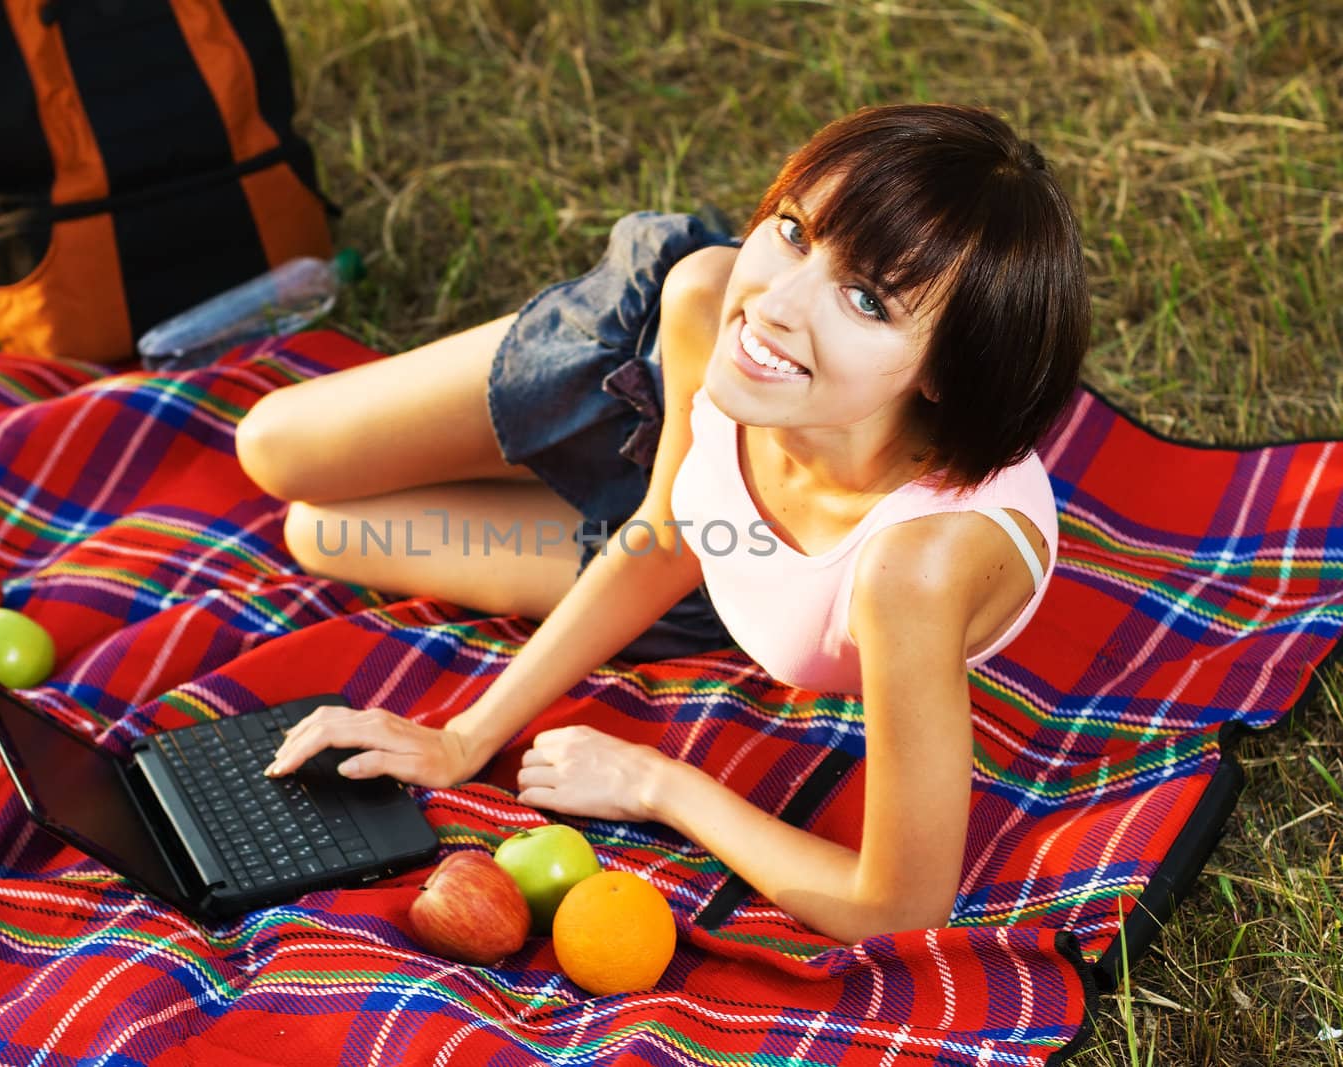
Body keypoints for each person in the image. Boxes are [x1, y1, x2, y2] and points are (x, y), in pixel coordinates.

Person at [234, 103, 1089, 943]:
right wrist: (462, 737)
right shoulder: (714, 302)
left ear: (945, 371)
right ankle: (550, 437)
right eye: (794, 229)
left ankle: (521, 452)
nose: (780, 299)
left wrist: (657, 783)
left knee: (325, 531)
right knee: (271, 448)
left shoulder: (912, 570)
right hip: (654, 377)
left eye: (867, 299)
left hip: (731, 567)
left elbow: (897, 904)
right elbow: (667, 530)